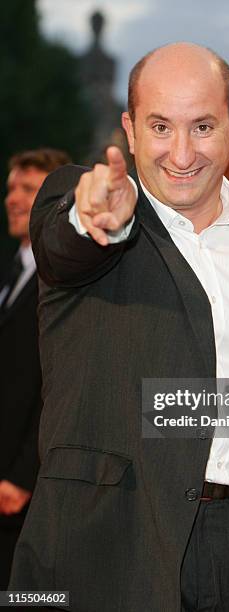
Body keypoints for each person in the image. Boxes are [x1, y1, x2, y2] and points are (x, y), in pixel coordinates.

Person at [9, 44, 229, 612]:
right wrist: (92, 220)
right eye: (159, 126)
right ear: (129, 129)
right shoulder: (88, 207)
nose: (181, 153)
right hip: (103, 550)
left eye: (202, 126)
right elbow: (62, 246)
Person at [0, 149, 70, 590]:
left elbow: (58, 385)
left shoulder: (65, 281)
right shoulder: (13, 271)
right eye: (11, 188)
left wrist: (24, 473)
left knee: (29, 597)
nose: (12, 198)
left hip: (29, 488)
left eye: (28, 189)